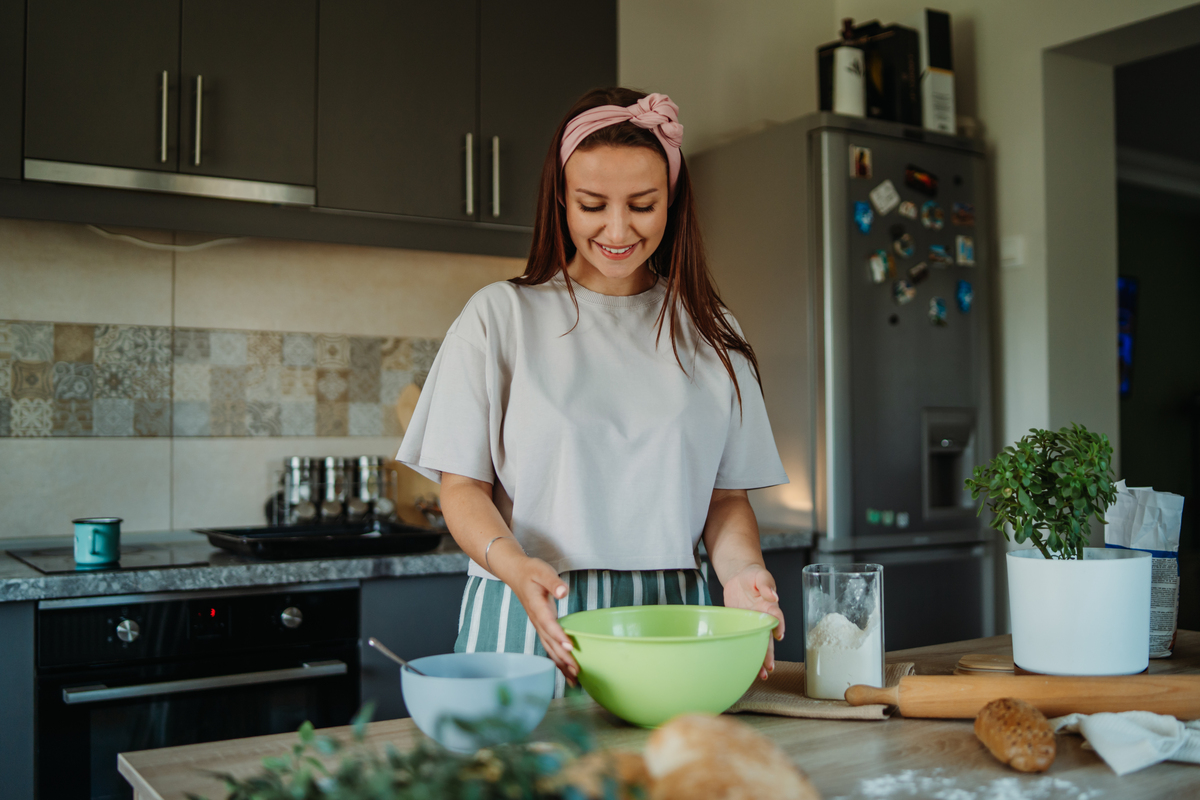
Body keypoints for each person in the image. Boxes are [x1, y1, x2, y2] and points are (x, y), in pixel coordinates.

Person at [397, 87, 788, 697]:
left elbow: (724, 502)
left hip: (669, 622)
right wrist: (511, 563)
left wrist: (744, 575)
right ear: (561, 201)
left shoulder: (712, 330)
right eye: (592, 204)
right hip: (530, 611)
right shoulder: (499, 317)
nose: (617, 228)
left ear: (673, 203)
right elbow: (462, 489)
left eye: (641, 205)